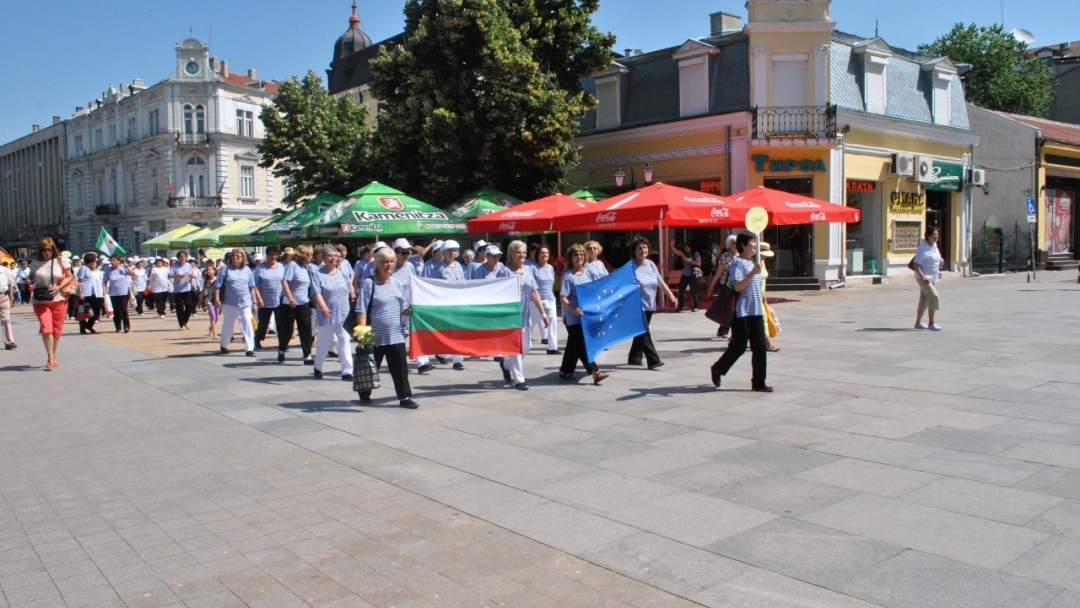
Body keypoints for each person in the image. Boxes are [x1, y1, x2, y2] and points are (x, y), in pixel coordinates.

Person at [357, 247, 418, 408]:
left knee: (400, 370)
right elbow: (361, 309)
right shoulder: (370, 283)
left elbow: (403, 307)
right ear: (378, 263)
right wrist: (362, 333)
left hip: (396, 335)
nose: (389, 265)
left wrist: (410, 309)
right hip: (375, 336)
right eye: (386, 262)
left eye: (392, 261)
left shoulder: (396, 283)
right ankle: (364, 392)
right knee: (370, 366)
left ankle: (404, 397)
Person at [710, 232, 771, 392]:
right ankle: (717, 368)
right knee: (739, 346)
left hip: (756, 311)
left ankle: (759, 382)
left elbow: (757, 288)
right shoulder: (737, 263)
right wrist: (752, 274)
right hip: (741, 311)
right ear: (744, 245)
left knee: (759, 348)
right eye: (753, 242)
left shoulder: (754, 264)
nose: (756, 245)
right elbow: (737, 286)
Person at [498, 240, 549, 390]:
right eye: (518, 252)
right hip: (510, 317)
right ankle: (519, 380)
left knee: (526, 347)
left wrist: (543, 313)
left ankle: (506, 365)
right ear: (511, 255)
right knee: (516, 348)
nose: (522, 255)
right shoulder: (505, 272)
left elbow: (534, 292)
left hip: (525, 315)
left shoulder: (528, 271)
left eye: (524, 252)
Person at [559, 244, 608, 385]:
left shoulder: (588, 273)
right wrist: (572, 308)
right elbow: (563, 297)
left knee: (573, 345)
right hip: (573, 317)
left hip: (585, 317)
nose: (579, 257)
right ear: (571, 258)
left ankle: (565, 370)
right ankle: (595, 372)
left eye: (581, 254)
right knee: (582, 345)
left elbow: (594, 291)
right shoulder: (568, 276)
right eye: (576, 255)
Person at [627, 236, 676, 369]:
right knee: (644, 332)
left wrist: (670, 294)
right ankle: (653, 360)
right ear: (634, 251)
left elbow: (659, 281)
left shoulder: (651, 264)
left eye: (644, 247)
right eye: (639, 248)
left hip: (650, 304)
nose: (643, 250)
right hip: (637, 305)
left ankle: (634, 357)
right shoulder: (630, 266)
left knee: (641, 332)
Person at [29, 237, 75, 370]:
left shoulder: (60, 260)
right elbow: (31, 277)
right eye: (43, 250)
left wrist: (59, 287)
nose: (46, 253)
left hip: (58, 298)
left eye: (49, 250)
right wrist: (29, 281)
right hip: (40, 299)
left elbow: (69, 276)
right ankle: (50, 357)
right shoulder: (36, 262)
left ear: (53, 249)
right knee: (46, 326)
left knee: (56, 329)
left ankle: (54, 355)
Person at [311, 245, 355, 379]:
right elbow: (316, 292)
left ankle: (347, 370)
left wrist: (352, 295)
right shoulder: (317, 274)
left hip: (343, 311)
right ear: (324, 257)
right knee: (324, 341)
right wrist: (323, 306)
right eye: (330, 255)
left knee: (344, 339)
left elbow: (348, 286)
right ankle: (318, 366)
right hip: (327, 312)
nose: (333, 258)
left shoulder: (342, 273)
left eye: (336, 256)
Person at [213, 249, 259, 356]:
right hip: (229, 302)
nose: (235, 257)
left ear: (243, 258)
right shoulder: (225, 269)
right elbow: (217, 285)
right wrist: (217, 299)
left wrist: (255, 301)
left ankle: (249, 348)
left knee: (247, 323)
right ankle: (224, 344)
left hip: (245, 302)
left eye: (238, 256)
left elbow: (252, 287)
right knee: (228, 324)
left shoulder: (247, 269)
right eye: (233, 256)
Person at [279, 244, 315, 365]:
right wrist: (290, 297)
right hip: (290, 303)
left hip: (304, 302)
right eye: (310, 255)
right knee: (288, 331)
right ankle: (281, 349)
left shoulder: (307, 268)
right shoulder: (292, 266)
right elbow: (284, 281)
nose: (312, 258)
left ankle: (307, 354)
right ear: (304, 256)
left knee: (306, 329)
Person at [437, 241, 467, 370]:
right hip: (445, 304)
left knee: (456, 331)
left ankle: (441, 353)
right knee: (451, 331)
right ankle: (457, 360)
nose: (453, 253)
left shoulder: (459, 266)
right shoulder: (438, 268)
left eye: (455, 250)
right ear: (443, 253)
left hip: (458, 302)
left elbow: (463, 282)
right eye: (450, 250)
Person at [909, 225, 945, 331]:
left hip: (932, 277)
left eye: (937, 235)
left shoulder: (934, 246)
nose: (936, 236)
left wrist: (941, 260)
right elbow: (916, 264)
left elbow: (935, 257)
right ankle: (931, 323)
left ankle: (918, 323)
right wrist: (922, 276)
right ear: (928, 235)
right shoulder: (923, 248)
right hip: (924, 278)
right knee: (934, 297)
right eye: (934, 234)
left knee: (924, 300)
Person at [253, 245, 285, 350]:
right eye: (271, 254)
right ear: (267, 255)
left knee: (281, 324)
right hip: (264, 300)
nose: (274, 257)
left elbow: (285, 283)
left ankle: (282, 343)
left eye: (276, 254)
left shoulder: (281, 267)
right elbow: (255, 285)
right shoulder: (260, 268)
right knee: (263, 324)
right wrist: (258, 299)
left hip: (279, 300)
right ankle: (257, 340)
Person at [707, 235, 738, 338]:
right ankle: (723, 330)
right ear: (730, 245)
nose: (737, 245)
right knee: (727, 308)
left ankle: (724, 330)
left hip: (737, 285)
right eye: (735, 243)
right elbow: (719, 272)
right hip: (726, 286)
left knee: (733, 309)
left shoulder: (740, 255)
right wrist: (711, 286)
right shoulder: (725, 256)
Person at [531, 245, 559, 354]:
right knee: (530, 324)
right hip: (536, 301)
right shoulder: (533, 268)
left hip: (550, 300)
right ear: (537, 255)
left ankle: (552, 348)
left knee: (552, 323)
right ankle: (521, 344)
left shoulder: (551, 268)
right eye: (542, 253)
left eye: (546, 253)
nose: (544, 255)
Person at [103, 255, 137, 333]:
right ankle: (118, 326)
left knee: (124, 309)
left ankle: (126, 326)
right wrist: (105, 290)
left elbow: (133, 274)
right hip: (113, 293)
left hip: (123, 292)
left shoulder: (123, 268)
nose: (112, 262)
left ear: (119, 261)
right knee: (116, 310)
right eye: (111, 260)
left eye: (114, 260)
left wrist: (127, 267)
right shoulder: (108, 270)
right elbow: (105, 281)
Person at [76, 252, 104, 335]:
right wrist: (81, 293)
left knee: (95, 311)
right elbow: (79, 281)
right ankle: (82, 329)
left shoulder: (90, 269)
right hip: (84, 293)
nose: (95, 262)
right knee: (83, 311)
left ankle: (89, 325)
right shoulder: (83, 268)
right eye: (94, 260)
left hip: (92, 292)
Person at [169, 251, 197, 329]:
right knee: (179, 308)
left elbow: (192, 275)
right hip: (178, 290)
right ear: (178, 258)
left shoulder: (188, 265)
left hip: (187, 288)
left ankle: (185, 321)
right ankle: (181, 324)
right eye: (181, 256)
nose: (183, 258)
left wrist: (192, 276)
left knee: (189, 306)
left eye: (184, 256)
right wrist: (177, 275)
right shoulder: (174, 266)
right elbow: (169, 275)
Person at [671, 242, 701, 312]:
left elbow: (699, 263)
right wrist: (672, 246)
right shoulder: (684, 254)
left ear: (691, 247)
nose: (686, 248)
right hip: (685, 274)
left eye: (687, 247)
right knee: (681, 291)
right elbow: (677, 252)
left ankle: (696, 306)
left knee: (693, 291)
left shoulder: (695, 253)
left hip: (692, 275)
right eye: (685, 247)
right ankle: (680, 306)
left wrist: (690, 261)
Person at [202, 259, 219, 339]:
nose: (208, 271)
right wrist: (199, 302)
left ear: (214, 271)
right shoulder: (206, 281)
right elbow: (203, 292)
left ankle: (211, 328)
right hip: (209, 301)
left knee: (217, 318)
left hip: (217, 300)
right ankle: (215, 334)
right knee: (213, 316)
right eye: (207, 270)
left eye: (210, 270)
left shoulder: (218, 280)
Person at [0, 258, 15, 349]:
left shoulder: (5, 270)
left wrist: (11, 298)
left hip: (3, 296)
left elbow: (10, 285)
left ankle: (9, 341)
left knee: (6, 319)